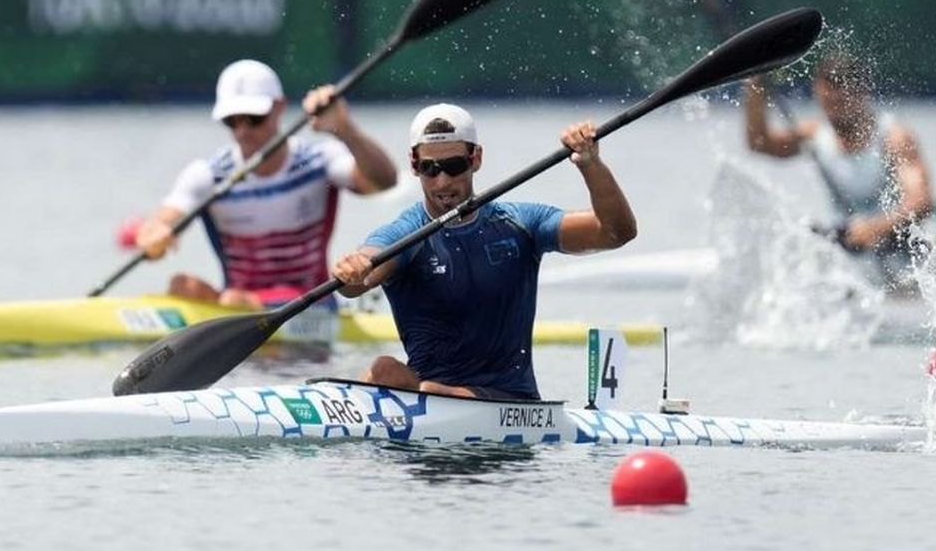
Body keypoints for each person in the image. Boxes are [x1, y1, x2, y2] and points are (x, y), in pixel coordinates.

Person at [331, 104, 637, 401]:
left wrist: (590, 164)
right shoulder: (406, 232)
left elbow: (615, 232)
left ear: (475, 158)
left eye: (454, 166)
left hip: (511, 401)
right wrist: (355, 269)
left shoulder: (522, 223)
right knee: (384, 370)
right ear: (414, 164)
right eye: (430, 169)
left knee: (419, 386)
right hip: (429, 396)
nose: (443, 181)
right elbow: (360, 279)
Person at [135, 59, 398, 307]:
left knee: (233, 301)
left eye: (253, 118)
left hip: (311, 303)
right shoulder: (210, 175)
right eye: (231, 120)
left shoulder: (318, 161)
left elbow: (384, 181)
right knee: (183, 286)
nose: (242, 131)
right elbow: (163, 219)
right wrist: (155, 235)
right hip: (237, 303)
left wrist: (346, 130)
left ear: (280, 107)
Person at [743, 52, 935, 286]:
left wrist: (875, 228)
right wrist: (755, 84)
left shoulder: (894, 138)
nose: (833, 111)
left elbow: (921, 202)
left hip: (898, 252)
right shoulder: (815, 134)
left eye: (841, 103)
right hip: (849, 249)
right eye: (827, 103)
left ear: (861, 93)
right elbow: (759, 143)